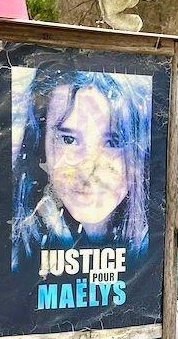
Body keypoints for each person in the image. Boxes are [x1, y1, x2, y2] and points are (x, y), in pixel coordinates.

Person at [11, 66, 151, 269]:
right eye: (68, 140)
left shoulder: (152, 259)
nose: (88, 169)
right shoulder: (16, 248)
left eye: (114, 142)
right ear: (41, 144)